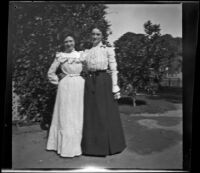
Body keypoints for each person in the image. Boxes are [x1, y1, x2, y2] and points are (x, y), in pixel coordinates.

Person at [80, 27, 126, 156]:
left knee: (104, 112)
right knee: (91, 112)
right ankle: (91, 147)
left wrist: (115, 86)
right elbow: (80, 65)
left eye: (98, 34)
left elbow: (114, 69)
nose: (95, 36)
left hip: (103, 81)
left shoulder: (108, 50)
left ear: (102, 36)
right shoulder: (86, 52)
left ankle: (110, 146)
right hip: (90, 81)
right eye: (93, 34)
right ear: (91, 36)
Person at [46, 33, 85, 157]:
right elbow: (51, 72)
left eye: (71, 41)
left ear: (75, 42)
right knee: (66, 114)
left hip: (80, 86)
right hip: (66, 87)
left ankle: (79, 146)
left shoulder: (81, 55)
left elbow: (90, 68)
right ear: (63, 44)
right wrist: (59, 82)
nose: (69, 44)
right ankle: (65, 148)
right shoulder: (60, 56)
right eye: (66, 42)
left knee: (78, 114)